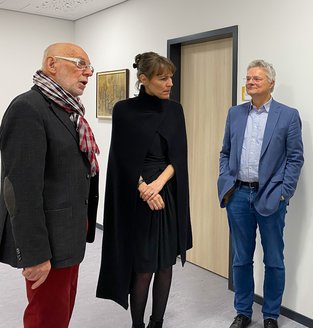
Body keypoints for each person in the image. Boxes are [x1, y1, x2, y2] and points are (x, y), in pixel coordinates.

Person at [0, 42, 99, 328]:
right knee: (46, 318)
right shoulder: (28, 109)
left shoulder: (67, 110)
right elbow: (20, 190)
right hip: (48, 244)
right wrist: (35, 254)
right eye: (80, 64)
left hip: (69, 235)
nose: (88, 73)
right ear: (52, 65)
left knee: (61, 312)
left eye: (89, 67)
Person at [96, 52, 192, 328]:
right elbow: (120, 159)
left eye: (171, 77)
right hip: (137, 197)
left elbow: (180, 158)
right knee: (143, 266)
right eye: (163, 78)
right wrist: (143, 188)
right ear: (143, 79)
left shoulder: (175, 110)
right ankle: (137, 324)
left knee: (165, 264)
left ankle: (156, 323)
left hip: (166, 193)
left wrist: (157, 187)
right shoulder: (124, 110)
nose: (170, 83)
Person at [218, 60, 304, 328]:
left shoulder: (288, 115)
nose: (250, 82)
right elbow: (225, 152)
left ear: (271, 84)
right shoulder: (235, 113)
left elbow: (295, 158)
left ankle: (270, 315)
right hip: (239, 195)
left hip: (270, 196)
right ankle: (243, 312)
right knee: (241, 258)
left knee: (274, 259)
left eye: (257, 78)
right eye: (248, 78)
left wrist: (284, 193)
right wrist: (226, 183)